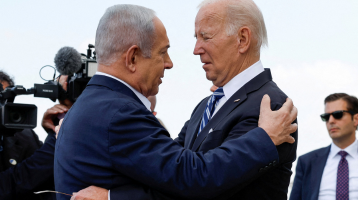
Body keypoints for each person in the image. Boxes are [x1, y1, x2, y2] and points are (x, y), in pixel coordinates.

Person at [54, 3, 297, 200]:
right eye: (196, 37)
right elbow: (178, 177)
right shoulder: (204, 107)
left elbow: (194, 186)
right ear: (133, 58)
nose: (195, 49)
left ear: (242, 39)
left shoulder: (272, 109)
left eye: (206, 36)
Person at [0, 72, 70, 200]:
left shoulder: (24, 136)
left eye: (3, 99)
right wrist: (65, 131)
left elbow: (45, 178)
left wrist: (57, 126)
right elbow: (9, 185)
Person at [290, 93, 358, 200]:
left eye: (337, 114)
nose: (331, 121)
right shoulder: (307, 162)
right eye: (326, 117)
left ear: (355, 119)